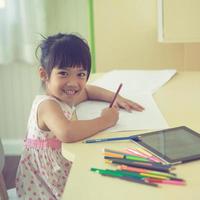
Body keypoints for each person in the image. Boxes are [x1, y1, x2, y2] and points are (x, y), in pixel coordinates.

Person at [15, 33, 144, 199]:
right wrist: (105, 120)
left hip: (59, 169)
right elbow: (67, 132)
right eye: (63, 73)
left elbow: (88, 90)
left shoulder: (65, 95)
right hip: (43, 184)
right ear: (44, 74)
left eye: (81, 74)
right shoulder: (47, 105)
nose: (73, 83)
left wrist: (116, 98)